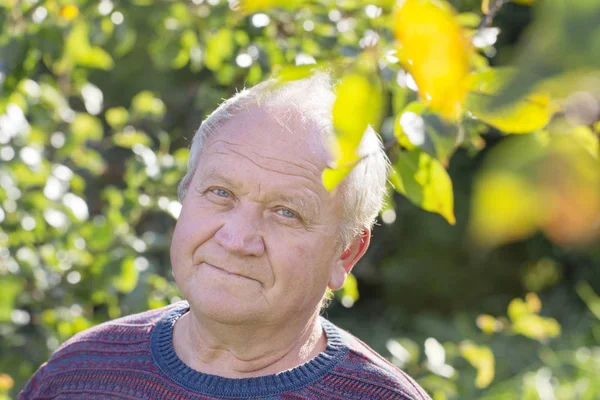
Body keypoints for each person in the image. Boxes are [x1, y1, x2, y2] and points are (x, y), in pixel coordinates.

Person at [20, 74, 432, 400]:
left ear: (346, 254)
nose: (237, 239)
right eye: (221, 193)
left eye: (286, 213)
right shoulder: (78, 376)